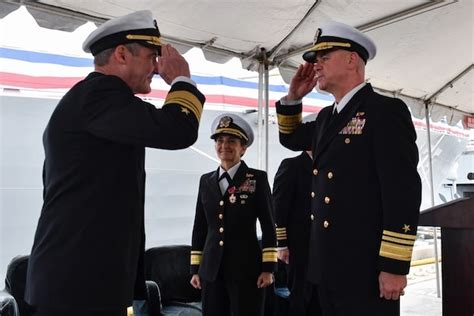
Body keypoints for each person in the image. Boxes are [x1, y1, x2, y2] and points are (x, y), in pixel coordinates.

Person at [25, 10, 205, 316]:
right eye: (152, 56)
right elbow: (177, 129)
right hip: (78, 285)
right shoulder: (99, 95)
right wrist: (182, 80)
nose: (156, 68)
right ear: (121, 54)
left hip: (85, 281)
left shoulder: (100, 102)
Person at [275, 21, 421, 316]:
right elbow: (290, 138)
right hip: (322, 269)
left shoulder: (385, 111)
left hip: (363, 270)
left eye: (324, 57)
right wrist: (293, 98)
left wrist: (394, 266)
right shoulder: (328, 116)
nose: (316, 64)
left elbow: (402, 193)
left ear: (352, 59)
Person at [189, 113, 277, 316]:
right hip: (211, 270)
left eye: (232, 141)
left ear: (243, 148)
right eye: (219, 141)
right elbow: (200, 226)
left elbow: (268, 225)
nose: (224, 146)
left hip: (246, 269)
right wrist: (195, 269)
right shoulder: (206, 181)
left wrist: (268, 268)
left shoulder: (257, 179)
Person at [273, 149, 321, 316]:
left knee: (323, 301)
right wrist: (282, 244)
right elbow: (278, 207)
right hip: (299, 247)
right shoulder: (292, 165)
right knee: (301, 298)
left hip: (326, 249)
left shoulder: (332, 165)